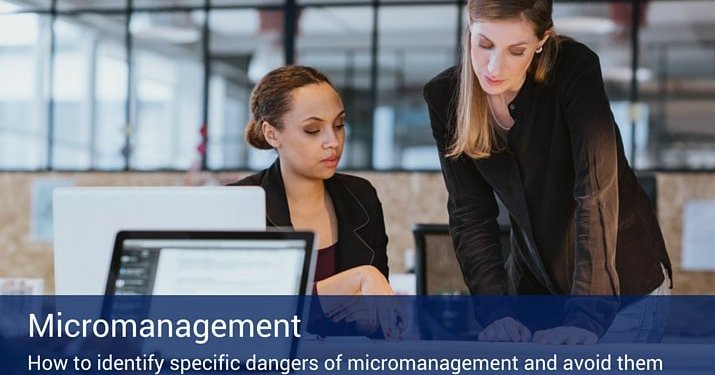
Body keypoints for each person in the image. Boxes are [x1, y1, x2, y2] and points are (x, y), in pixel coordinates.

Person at [423, 0, 672, 344]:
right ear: (469, 28)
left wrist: (586, 317)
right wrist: (495, 313)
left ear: (542, 42)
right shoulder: (445, 97)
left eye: (516, 50)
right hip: (535, 288)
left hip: (622, 285)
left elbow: (595, 194)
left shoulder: (573, 70)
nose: (494, 66)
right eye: (484, 45)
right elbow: (470, 214)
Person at [230, 65, 406, 338]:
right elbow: (248, 317)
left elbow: (379, 311)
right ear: (271, 134)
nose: (333, 141)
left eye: (339, 125)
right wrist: (355, 279)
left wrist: (369, 321)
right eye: (313, 130)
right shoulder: (241, 204)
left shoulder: (361, 197)